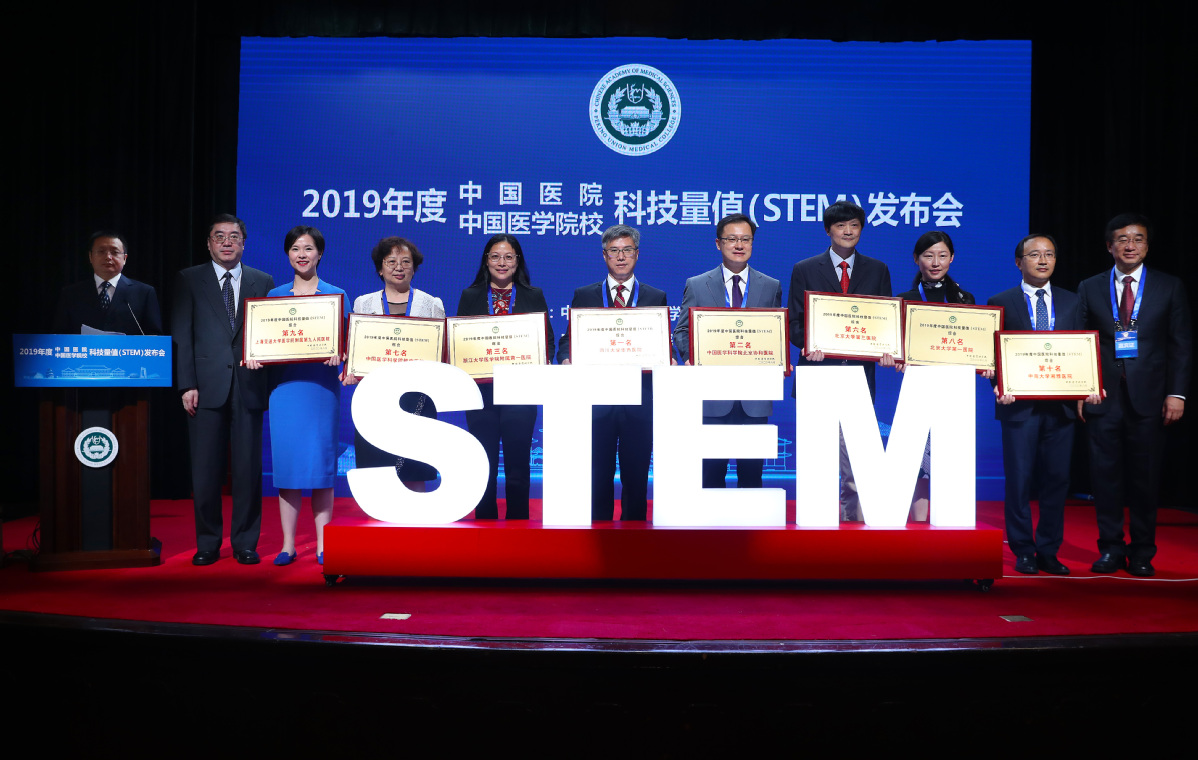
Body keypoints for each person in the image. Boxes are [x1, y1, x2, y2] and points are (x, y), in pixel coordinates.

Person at [1077, 213, 1191, 577]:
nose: (1130, 245)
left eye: (1138, 239)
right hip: (1103, 396)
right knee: (1104, 477)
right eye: (1122, 239)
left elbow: (1181, 345)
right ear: (1109, 246)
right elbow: (1081, 343)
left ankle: (1142, 551)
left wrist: (1177, 394)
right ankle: (1110, 548)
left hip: (1152, 396)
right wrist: (1082, 389)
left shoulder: (1168, 286)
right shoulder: (1090, 286)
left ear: (1146, 245)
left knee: (1144, 478)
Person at [989, 234, 1097, 575]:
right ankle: (1023, 549)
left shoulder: (1071, 301)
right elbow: (991, 353)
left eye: (1049, 254)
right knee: (1019, 480)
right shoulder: (1000, 301)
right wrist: (997, 383)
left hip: (1061, 406)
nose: (1042, 260)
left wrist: (1088, 386)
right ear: (1019, 262)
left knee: (1057, 480)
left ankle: (1049, 549)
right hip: (1018, 405)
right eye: (1034, 254)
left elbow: (1082, 347)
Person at [172, 214, 275, 565]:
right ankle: (208, 543)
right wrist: (187, 383)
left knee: (247, 470)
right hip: (204, 386)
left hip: (249, 385)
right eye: (220, 236)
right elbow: (181, 336)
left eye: (234, 237)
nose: (227, 242)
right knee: (205, 470)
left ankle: (245, 542)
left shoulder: (263, 281)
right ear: (209, 243)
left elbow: (270, 335)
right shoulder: (189, 279)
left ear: (244, 243)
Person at [787, 201, 894, 520]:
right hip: (818, 374)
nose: (848, 232)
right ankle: (814, 523)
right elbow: (794, 322)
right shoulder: (805, 268)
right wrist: (809, 344)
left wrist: (887, 347)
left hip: (860, 376)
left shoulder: (877, 269)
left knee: (855, 460)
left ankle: (852, 525)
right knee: (817, 458)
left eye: (854, 226)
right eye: (840, 226)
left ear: (861, 229)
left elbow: (886, 321)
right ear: (828, 230)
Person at [244, 226, 344, 567]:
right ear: (288, 254)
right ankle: (288, 544)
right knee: (287, 470)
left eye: (309, 248)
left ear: (320, 254)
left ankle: (322, 544)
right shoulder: (273, 297)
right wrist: (254, 354)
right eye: (296, 249)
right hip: (285, 391)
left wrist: (339, 353)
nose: (302, 254)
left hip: (320, 391)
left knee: (320, 470)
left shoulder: (335, 295)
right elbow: (261, 341)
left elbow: (344, 347)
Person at [558, 224, 671, 521]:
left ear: (637, 254)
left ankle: (635, 542)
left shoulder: (655, 297)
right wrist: (567, 358)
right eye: (614, 251)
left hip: (639, 399)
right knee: (598, 473)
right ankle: (597, 536)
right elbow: (567, 341)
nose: (621, 257)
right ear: (604, 256)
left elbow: (662, 345)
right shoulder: (584, 295)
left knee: (636, 475)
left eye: (627, 250)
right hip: (597, 400)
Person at [673, 213, 782, 489]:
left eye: (745, 239)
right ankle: (711, 531)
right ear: (718, 243)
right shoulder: (697, 284)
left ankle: (751, 530)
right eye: (731, 239)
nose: (739, 245)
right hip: (712, 392)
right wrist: (692, 359)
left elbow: (775, 335)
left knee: (751, 475)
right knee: (711, 472)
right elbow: (682, 331)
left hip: (754, 394)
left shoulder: (770, 286)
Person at [456, 234, 553, 519]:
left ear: (518, 261)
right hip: (481, 394)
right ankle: (484, 523)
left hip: (520, 393)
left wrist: (541, 359)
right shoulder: (471, 295)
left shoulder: (533, 295)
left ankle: (518, 524)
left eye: (509, 257)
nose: (502, 262)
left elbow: (546, 340)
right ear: (486, 261)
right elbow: (459, 341)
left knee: (518, 464)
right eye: (495, 256)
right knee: (483, 461)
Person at [346, 237, 446, 493]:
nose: (399, 267)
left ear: (414, 268)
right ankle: (379, 530)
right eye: (391, 262)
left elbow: (442, 351)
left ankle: (418, 530)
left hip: (418, 398)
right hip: (375, 398)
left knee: (415, 467)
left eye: (406, 262)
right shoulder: (363, 304)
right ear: (380, 268)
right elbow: (355, 348)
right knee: (376, 469)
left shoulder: (431, 303)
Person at [896, 230, 980, 520]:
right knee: (919, 462)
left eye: (942, 255)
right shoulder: (904, 300)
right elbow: (896, 347)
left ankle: (948, 526)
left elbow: (975, 344)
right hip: (918, 391)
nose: (935, 262)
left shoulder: (964, 299)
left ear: (952, 258)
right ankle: (919, 527)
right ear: (916, 259)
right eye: (928, 256)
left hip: (954, 391)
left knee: (950, 460)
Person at [53, 230, 162, 335]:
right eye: (101, 251)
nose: (108, 257)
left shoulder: (144, 293)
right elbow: (60, 335)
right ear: (90, 257)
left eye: (114, 252)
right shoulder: (71, 294)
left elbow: (154, 336)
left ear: (124, 258)